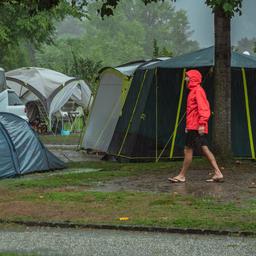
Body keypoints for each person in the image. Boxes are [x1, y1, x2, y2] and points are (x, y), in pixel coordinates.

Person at [168, 69, 224, 183]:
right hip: (193, 126)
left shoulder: (198, 91)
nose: (185, 79)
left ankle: (182, 175)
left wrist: (202, 124)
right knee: (204, 148)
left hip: (196, 126)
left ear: (193, 78)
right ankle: (218, 172)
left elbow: (204, 108)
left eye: (187, 77)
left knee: (188, 149)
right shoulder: (193, 91)